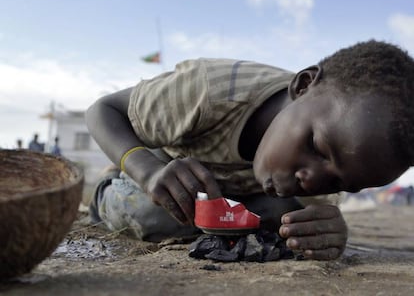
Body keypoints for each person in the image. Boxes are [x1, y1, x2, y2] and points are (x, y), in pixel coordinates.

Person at [85, 40, 414, 260]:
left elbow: (309, 211)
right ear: (302, 86)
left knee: (282, 221)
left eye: (340, 184)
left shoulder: (335, 155)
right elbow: (103, 110)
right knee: (155, 215)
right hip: (164, 170)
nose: (313, 181)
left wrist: (330, 230)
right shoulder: (209, 91)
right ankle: (107, 187)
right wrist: (144, 170)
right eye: (316, 147)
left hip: (233, 194)